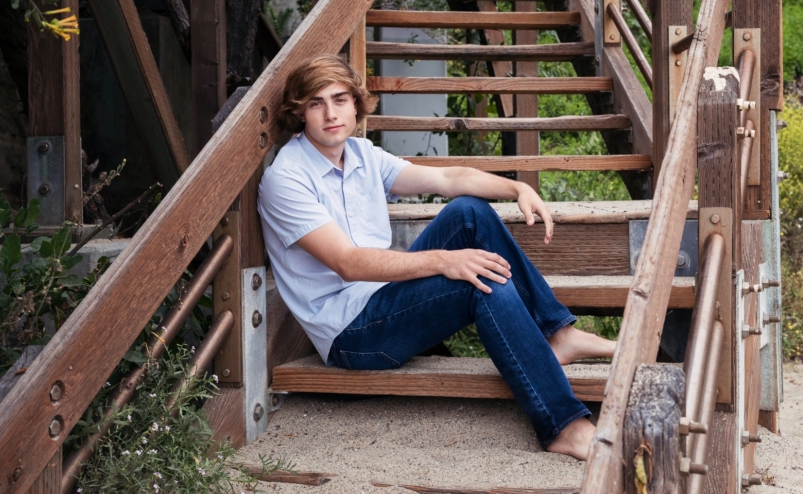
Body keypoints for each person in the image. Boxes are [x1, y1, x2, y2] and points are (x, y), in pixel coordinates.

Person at [257, 55, 617, 460]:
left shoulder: (361, 155)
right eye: (316, 103)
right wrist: (445, 261)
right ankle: (564, 426)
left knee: (469, 211)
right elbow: (348, 263)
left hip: (385, 297)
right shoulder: (285, 179)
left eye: (339, 99)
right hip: (352, 334)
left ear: (356, 103)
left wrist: (515, 189)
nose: (330, 114)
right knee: (484, 285)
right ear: (300, 112)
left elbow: (447, 179)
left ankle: (558, 333)